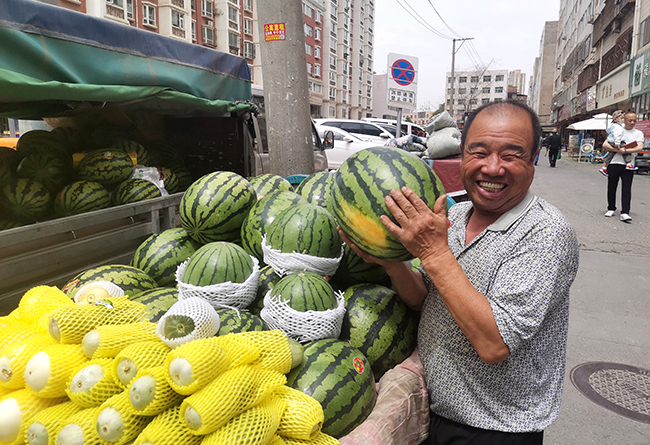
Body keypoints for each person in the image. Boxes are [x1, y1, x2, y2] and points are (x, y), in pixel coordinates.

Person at [339, 101, 580, 445]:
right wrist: (391, 262)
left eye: (511, 155)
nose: (492, 168)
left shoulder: (545, 233)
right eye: (479, 152)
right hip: (437, 409)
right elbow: (428, 300)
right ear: (462, 154)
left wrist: (433, 252)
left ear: (534, 159)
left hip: (495, 428)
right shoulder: (456, 215)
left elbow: (494, 343)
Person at [602, 111, 645, 222]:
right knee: (612, 186)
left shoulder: (638, 133)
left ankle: (625, 212)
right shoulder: (617, 129)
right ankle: (611, 208)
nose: (632, 122)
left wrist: (625, 150)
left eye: (634, 120)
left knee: (626, 189)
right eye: (629, 120)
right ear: (624, 120)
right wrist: (616, 150)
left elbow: (639, 147)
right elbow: (605, 144)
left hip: (628, 165)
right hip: (614, 162)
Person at [599, 110, 637, 176]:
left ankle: (604, 167)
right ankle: (628, 164)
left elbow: (639, 147)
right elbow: (616, 136)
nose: (623, 120)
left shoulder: (614, 126)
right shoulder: (618, 128)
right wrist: (618, 145)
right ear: (615, 119)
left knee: (610, 154)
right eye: (622, 118)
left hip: (613, 143)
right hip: (617, 145)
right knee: (625, 152)